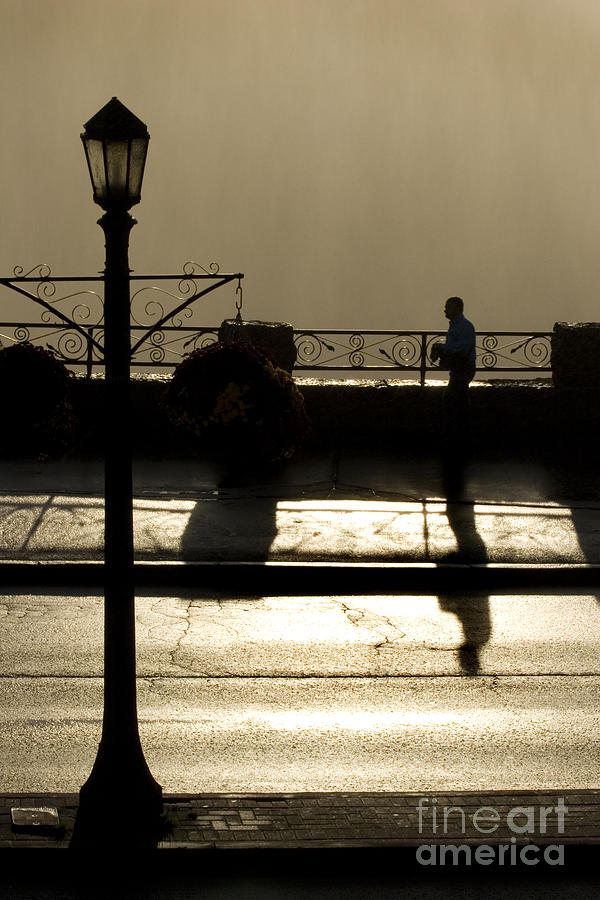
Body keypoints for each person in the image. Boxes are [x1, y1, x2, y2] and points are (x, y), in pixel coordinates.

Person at [431, 296, 476, 446]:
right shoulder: (459, 325)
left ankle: (459, 436)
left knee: (453, 399)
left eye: (448, 307)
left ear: (457, 309)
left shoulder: (463, 326)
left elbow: (461, 348)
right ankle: (462, 434)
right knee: (459, 399)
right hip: (460, 368)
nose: (445, 310)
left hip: (463, 368)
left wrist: (441, 347)